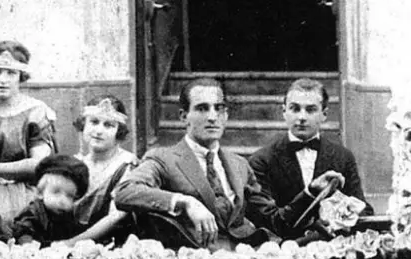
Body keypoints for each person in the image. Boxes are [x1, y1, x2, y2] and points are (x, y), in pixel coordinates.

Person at [114, 77, 333, 249]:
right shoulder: (163, 158)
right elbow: (125, 191)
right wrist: (185, 202)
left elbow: (275, 221)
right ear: (183, 116)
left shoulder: (239, 165)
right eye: (202, 108)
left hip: (245, 256)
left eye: (218, 108)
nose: (212, 116)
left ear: (226, 115)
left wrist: (311, 192)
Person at [249, 77, 372, 239]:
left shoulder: (343, 157)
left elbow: (363, 209)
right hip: (285, 249)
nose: (302, 117)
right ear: (284, 112)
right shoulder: (262, 160)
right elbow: (266, 218)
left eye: (311, 110)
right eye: (295, 109)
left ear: (324, 114)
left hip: (332, 246)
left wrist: (340, 217)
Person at [0, 40, 56, 222]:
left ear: (21, 76)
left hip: (22, 191)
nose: (3, 79)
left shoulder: (36, 111)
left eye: (11, 73)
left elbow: (39, 164)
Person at [71, 96, 138, 243]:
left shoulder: (126, 166)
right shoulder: (76, 163)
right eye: (94, 122)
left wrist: (71, 243)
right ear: (84, 125)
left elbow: (116, 216)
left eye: (108, 125)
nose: (99, 131)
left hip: (112, 244)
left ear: (119, 132)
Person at [11, 154, 90, 246]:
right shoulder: (32, 213)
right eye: (56, 192)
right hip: (34, 253)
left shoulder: (68, 215)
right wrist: (28, 246)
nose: (62, 200)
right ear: (40, 193)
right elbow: (23, 232)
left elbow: (75, 233)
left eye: (69, 196)